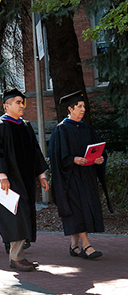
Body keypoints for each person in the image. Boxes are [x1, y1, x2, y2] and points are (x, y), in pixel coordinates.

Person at [0, 88, 49, 271]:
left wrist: (41, 175)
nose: (21, 105)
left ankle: (18, 256)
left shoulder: (25, 126)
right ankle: (16, 257)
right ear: (6, 105)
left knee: (24, 216)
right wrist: (1, 176)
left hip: (25, 180)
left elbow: (35, 152)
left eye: (22, 102)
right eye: (18, 102)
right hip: (10, 180)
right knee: (15, 216)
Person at [48, 91, 113, 259]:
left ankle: (74, 246)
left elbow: (100, 150)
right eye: (80, 106)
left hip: (88, 176)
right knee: (78, 211)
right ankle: (87, 246)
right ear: (70, 109)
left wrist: (100, 158)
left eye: (84, 106)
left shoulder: (87, 129)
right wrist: (73, 160)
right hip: (70, 179)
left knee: (85, 209)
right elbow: (56, 158)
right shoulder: (61, 130)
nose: (83, 109)